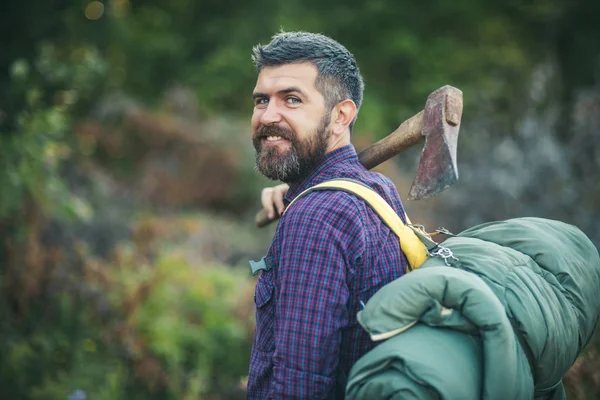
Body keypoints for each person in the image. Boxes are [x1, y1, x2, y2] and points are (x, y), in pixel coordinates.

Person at [248, 31, 410, 399]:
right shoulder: (377, 189)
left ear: (341, 116)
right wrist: (296, 194)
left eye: (291, 99)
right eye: (261, 100)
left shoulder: (317, 217)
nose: (268, 116)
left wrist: (305, 206)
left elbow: (300, 387)